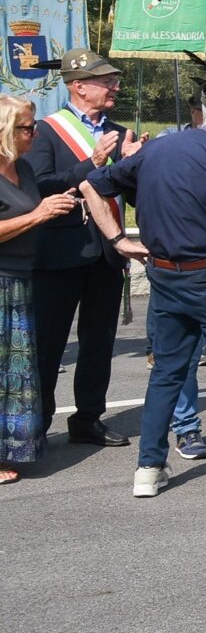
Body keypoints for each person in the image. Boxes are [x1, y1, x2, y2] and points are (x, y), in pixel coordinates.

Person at [88, 90, 206, 498]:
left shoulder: (160, 148)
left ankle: (149, 468)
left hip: (165, 275)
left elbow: (92, 183)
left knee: (168, 371)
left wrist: (118, 238)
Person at [25, 49, 144, 449]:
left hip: (106, 254)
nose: (115, 86)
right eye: (106, 81)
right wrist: (89, 163)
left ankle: (88, 418)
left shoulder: (120, 131)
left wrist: (132, 165)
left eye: (114, 80)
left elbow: (127, 193)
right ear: (79, 86)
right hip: (58, 254)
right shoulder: (45, 131)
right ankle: (36, 426)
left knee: (98, 343)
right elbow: (38, 186)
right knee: (48, 344)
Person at [0, 96, 84, 483]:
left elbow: (32, 212)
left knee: (13, 375)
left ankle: (10, 449)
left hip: (20, 280)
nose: (33, 134)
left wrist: (52, 206)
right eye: (25, 128)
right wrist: (37, 215)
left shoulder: (24, 169)